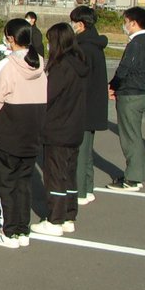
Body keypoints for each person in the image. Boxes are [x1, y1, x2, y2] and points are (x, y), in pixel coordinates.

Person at [0, 18, 47, 248]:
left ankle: (8, 231)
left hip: (8, 131)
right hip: (32, 131)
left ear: (10, 38)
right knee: (23, 182)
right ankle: (21, 228)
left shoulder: (7, 64)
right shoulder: (40, 63)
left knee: (5, 183)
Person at [31, 23, 88, 237]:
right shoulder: (79, 63)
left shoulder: (61, 66)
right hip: (74, 127)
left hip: (57, 128)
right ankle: (69, 215)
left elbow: (48, 95)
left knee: (54, 174)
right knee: (69, 174)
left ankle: (54, 219)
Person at [106, 6, 145, 191]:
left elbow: (124, 69)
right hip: (137, 93)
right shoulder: (144, 40)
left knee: (129, 137)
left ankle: (133, 178)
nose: (124, 25)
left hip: (131, 95)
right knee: (134, 135)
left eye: (125, 22)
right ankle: (135, 173)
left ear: (133, 23)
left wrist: (112, 86)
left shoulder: (137, 42)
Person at [70, 6, 108, 205]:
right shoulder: (96, 45)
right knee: (87, 151)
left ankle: (79, 191)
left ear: (81, 24)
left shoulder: (82, 48)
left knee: (79, 152)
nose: (72, 26)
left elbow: (78, 81)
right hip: (94, 106)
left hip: (82, 106)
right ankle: (88, 187)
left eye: (74, 22)